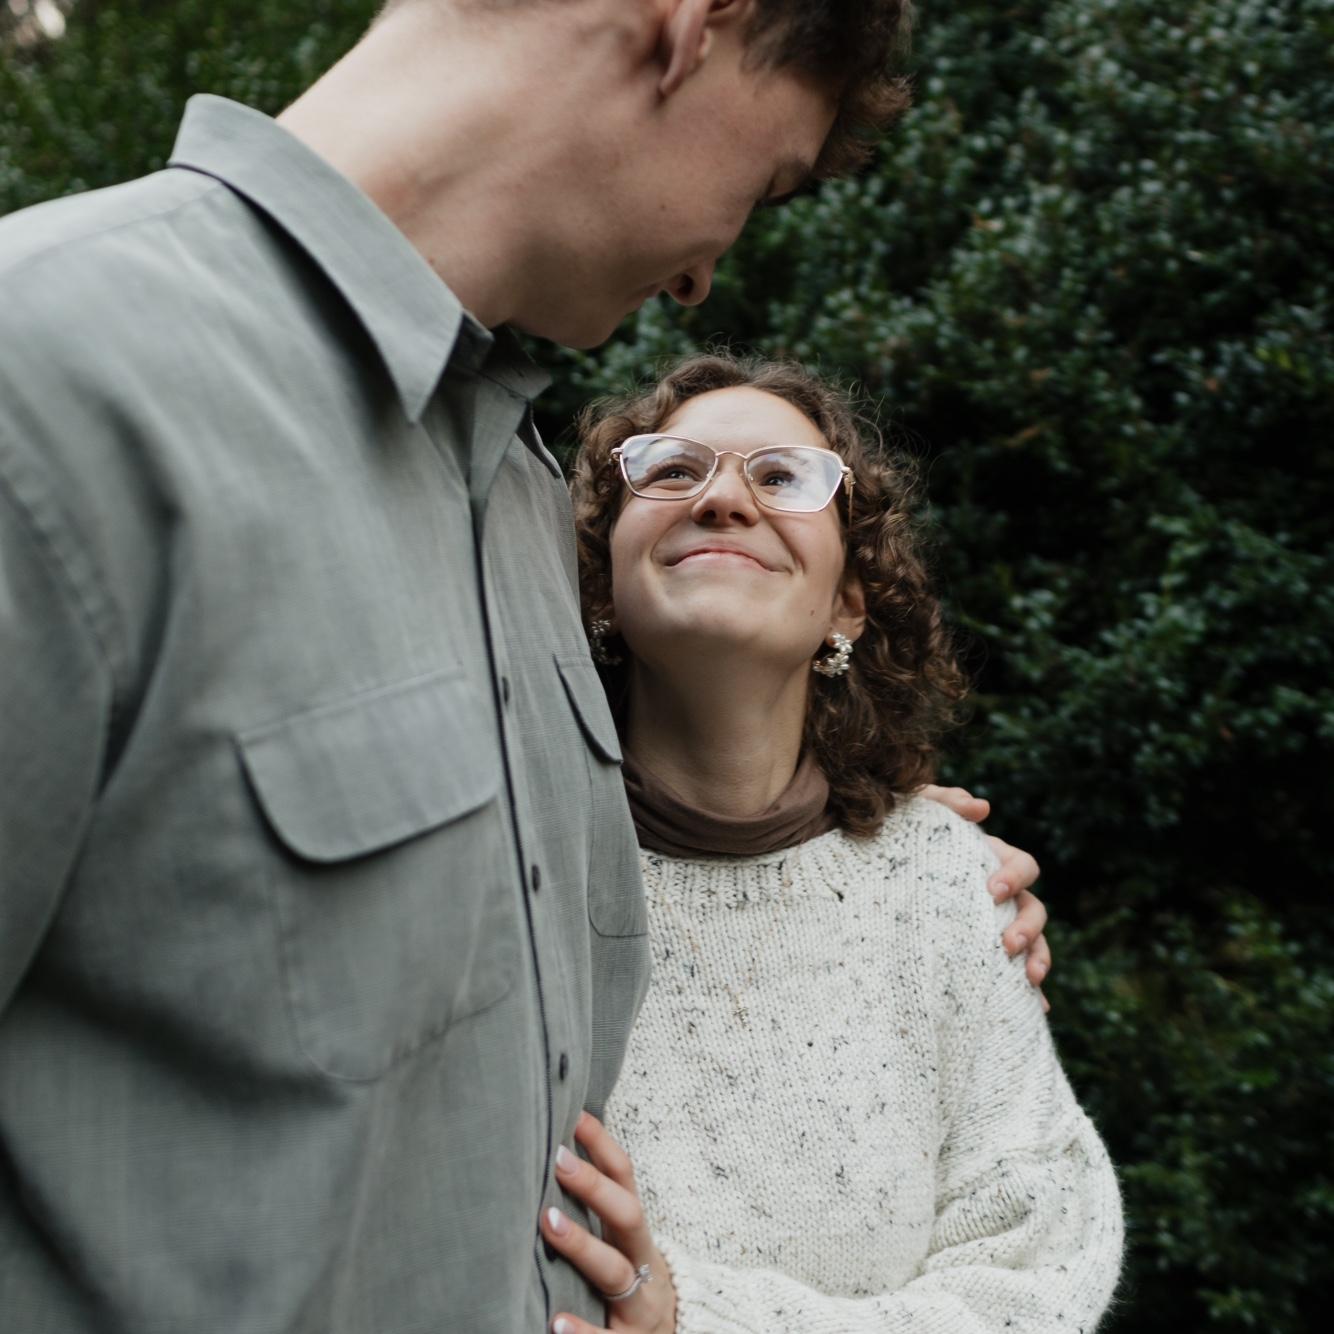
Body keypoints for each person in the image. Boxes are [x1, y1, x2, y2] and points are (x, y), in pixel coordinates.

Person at [0, 3, 1048, 1331]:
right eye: (766, 181)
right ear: (691, 24)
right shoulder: (43, 380)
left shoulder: (520, 497)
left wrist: (881, 878)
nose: (704, 276)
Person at [538, 353, 1123, 1333]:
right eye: (672, 470)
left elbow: (1036, 1278)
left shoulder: (947, 885)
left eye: (781, 476)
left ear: (849, 598)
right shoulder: (509, 866)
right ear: (600, 583)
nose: (723, 498)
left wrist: (693, 1316)